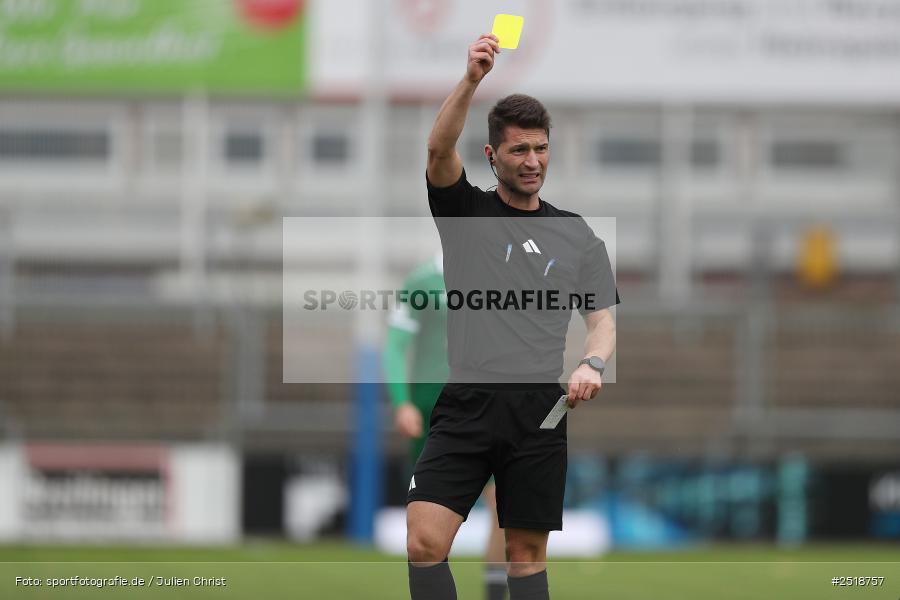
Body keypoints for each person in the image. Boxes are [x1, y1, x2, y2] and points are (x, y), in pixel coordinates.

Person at [405, 34, 620, 600]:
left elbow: (602, 318)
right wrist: (473, 79)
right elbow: (435, 152)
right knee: (424, 541)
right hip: (466, 404)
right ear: (492, 155)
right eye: (520, 150)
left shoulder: (576, 235)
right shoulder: (467, 214)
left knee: (524, 557)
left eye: (541, 149)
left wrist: (593, 363)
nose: (533, 161)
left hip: (539, 411)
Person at [384, 253, 508, 600]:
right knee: (429, 527)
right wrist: (401, 401)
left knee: (503, 503)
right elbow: (395, 345)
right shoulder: (421, 282)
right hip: (431, 414)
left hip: (485, 410)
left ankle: (494, 593)